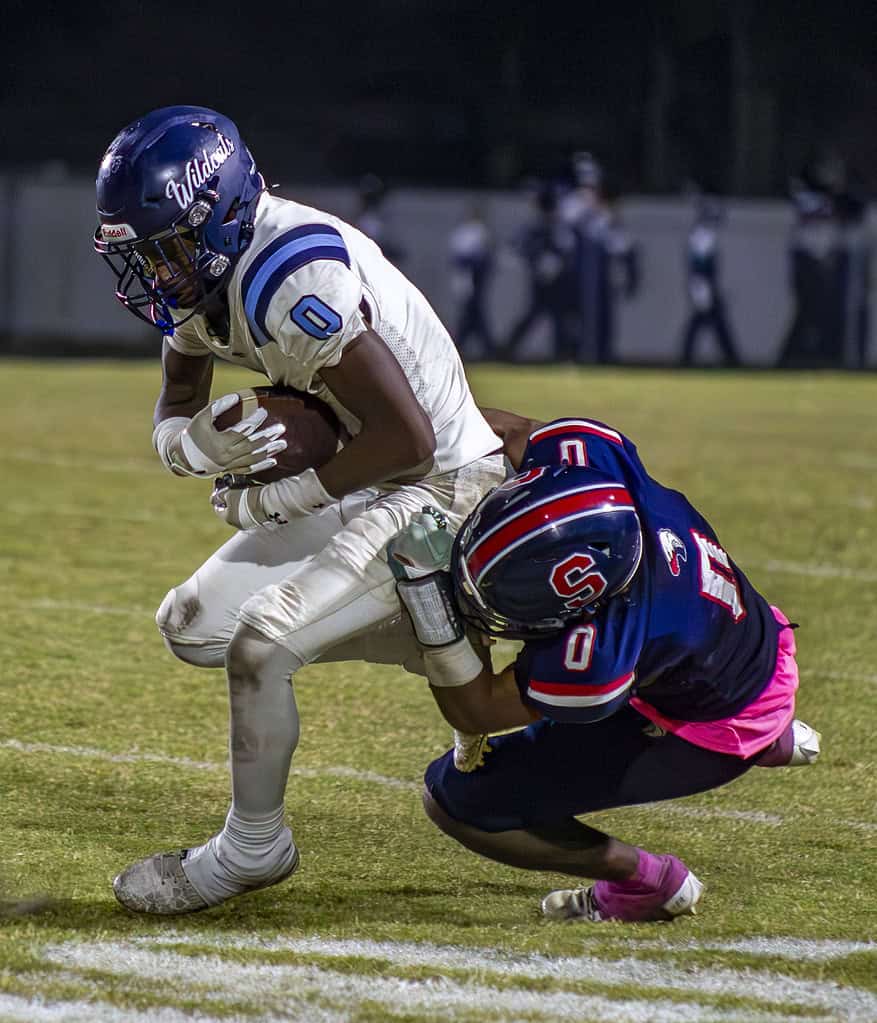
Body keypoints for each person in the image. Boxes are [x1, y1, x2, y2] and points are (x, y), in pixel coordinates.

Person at [93, 105, 505, 914]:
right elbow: (177, 400)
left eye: (169, 248)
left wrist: (287, 493)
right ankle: (440, 634)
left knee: (260, 646)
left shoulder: (291, 276)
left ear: (223, 213)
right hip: (364, 468)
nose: (160, 271)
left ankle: (251, 849)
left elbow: (410, 439)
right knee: (191, 626)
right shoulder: (203, 272)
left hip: (439, 487)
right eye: (145, 255)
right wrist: (190, 448)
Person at [388, 407, 821, 923]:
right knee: (678, 662)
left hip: (713, 724)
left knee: (455, 799)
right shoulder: (594, 464)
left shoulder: (599, 654)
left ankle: (646, 881)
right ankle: (766, 731)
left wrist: (426, 595)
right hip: (749, 642)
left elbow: (475, 710)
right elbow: (498, 430)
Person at [503, 182, 581, 362]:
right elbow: (518, 248)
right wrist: (537, 263)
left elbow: (568, 251)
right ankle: (508, 349)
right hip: (541, 281)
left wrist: (556, 263)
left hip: (557, 282)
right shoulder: (537, 229)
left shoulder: (557, 228)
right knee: (539, 316)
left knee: (558, 319)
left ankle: (561, 354)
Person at [679, 196, 741, 367]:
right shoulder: (701, 236)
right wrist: (701, 290)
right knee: (708, 324)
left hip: (706, 286)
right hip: (704, 287)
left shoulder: (705, 235)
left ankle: (730, 358)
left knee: (706, 324)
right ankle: (732, 359)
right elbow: (698, 268)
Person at [447, 202, 499, 361]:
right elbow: (457, 258)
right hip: (465, 275)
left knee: (473, 311)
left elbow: (487, 255)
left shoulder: (482, 231)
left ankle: (462, 345)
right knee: (473, 312)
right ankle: (486, 346)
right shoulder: (463, 233)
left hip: (478, 276)